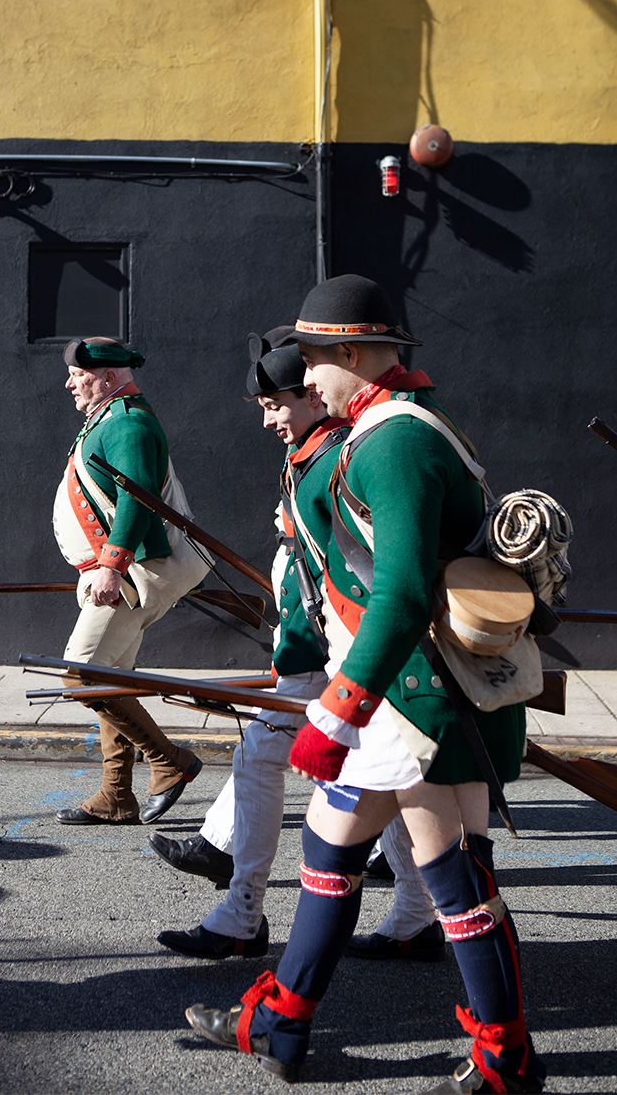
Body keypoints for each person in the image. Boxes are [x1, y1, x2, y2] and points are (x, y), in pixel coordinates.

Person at [183, 276, 544, 1095]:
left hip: (421, 702)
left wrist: (341, 708)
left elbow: (405, 592)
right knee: (331, 840)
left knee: (456, 875)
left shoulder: (395, 442)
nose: (305, 379)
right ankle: (281, 1019)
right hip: (401, 698)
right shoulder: (382, 431)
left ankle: (507, 1058)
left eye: (313, 361)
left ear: (350, 354)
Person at [151, 330, 443, 962]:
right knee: (384, 782)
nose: (269, 419)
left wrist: (303, 661)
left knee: (266, 758)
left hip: (343, 658)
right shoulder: (312, 458)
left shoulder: (338, 460)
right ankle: (416, 916)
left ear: (313, 397)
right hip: (336, 654)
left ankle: (245, 914)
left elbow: (360, 582)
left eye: (277, 404)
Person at [49, 337, 210, 826]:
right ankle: (116, 794)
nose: (70, 383)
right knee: (112, 678)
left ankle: (170, 762)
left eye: (79, 375)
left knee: (82, 674)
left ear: (110, 377)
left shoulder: (128, 422)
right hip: (123, 571)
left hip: (135, 572)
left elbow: (135, 499)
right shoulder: (110, 418)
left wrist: (112, 565)